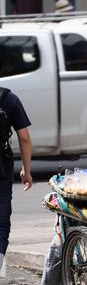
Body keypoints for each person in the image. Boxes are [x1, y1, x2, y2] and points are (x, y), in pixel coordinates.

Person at [0, 88, 33, 269]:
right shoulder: (9, 99)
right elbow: (24, 137)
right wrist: (26, 170)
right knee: (1, 225)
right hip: (2, 168)